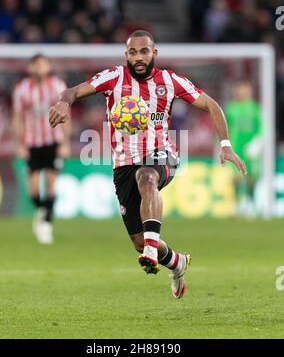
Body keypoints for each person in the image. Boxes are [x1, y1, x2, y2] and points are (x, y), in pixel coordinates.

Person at [49, 30, 246, 299]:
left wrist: (226, 146)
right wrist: (63, 103)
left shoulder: (170, 80)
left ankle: (152, 248)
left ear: (154, 53)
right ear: (126, 55)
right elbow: (72, 91)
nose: (138, 57)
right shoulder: (114, 78)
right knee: (138, 242)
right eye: (132, 52)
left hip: (162, 154)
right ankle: (176, 263)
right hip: (122, 164)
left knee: (146, 177)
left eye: (144, 51)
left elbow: (212, 106)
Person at [13, 54, 71, 244]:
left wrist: (65, 142)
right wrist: (19, 144)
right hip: (32, 142)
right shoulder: (22, 89)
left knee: (51, 183)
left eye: (43, 64)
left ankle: (46, 224)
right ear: (31, 68)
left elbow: (66, 115)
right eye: (36, 64)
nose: (40, 67)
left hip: (53, 140)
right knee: (33, 188)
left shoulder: (57, 86)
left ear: (48, 66)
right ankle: (42, 209)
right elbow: (18, 118)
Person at [225, 80, 262, 215]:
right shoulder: (231, 108)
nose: (242, 92)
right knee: (236, 177)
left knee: (252, 177)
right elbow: (225, 128)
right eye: (239, 90)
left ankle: (251, 202)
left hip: (251, 149)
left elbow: (262, 128)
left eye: (245, 89)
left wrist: (257, 142)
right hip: (236, 149)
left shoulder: (255, 108)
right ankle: (238, 203)